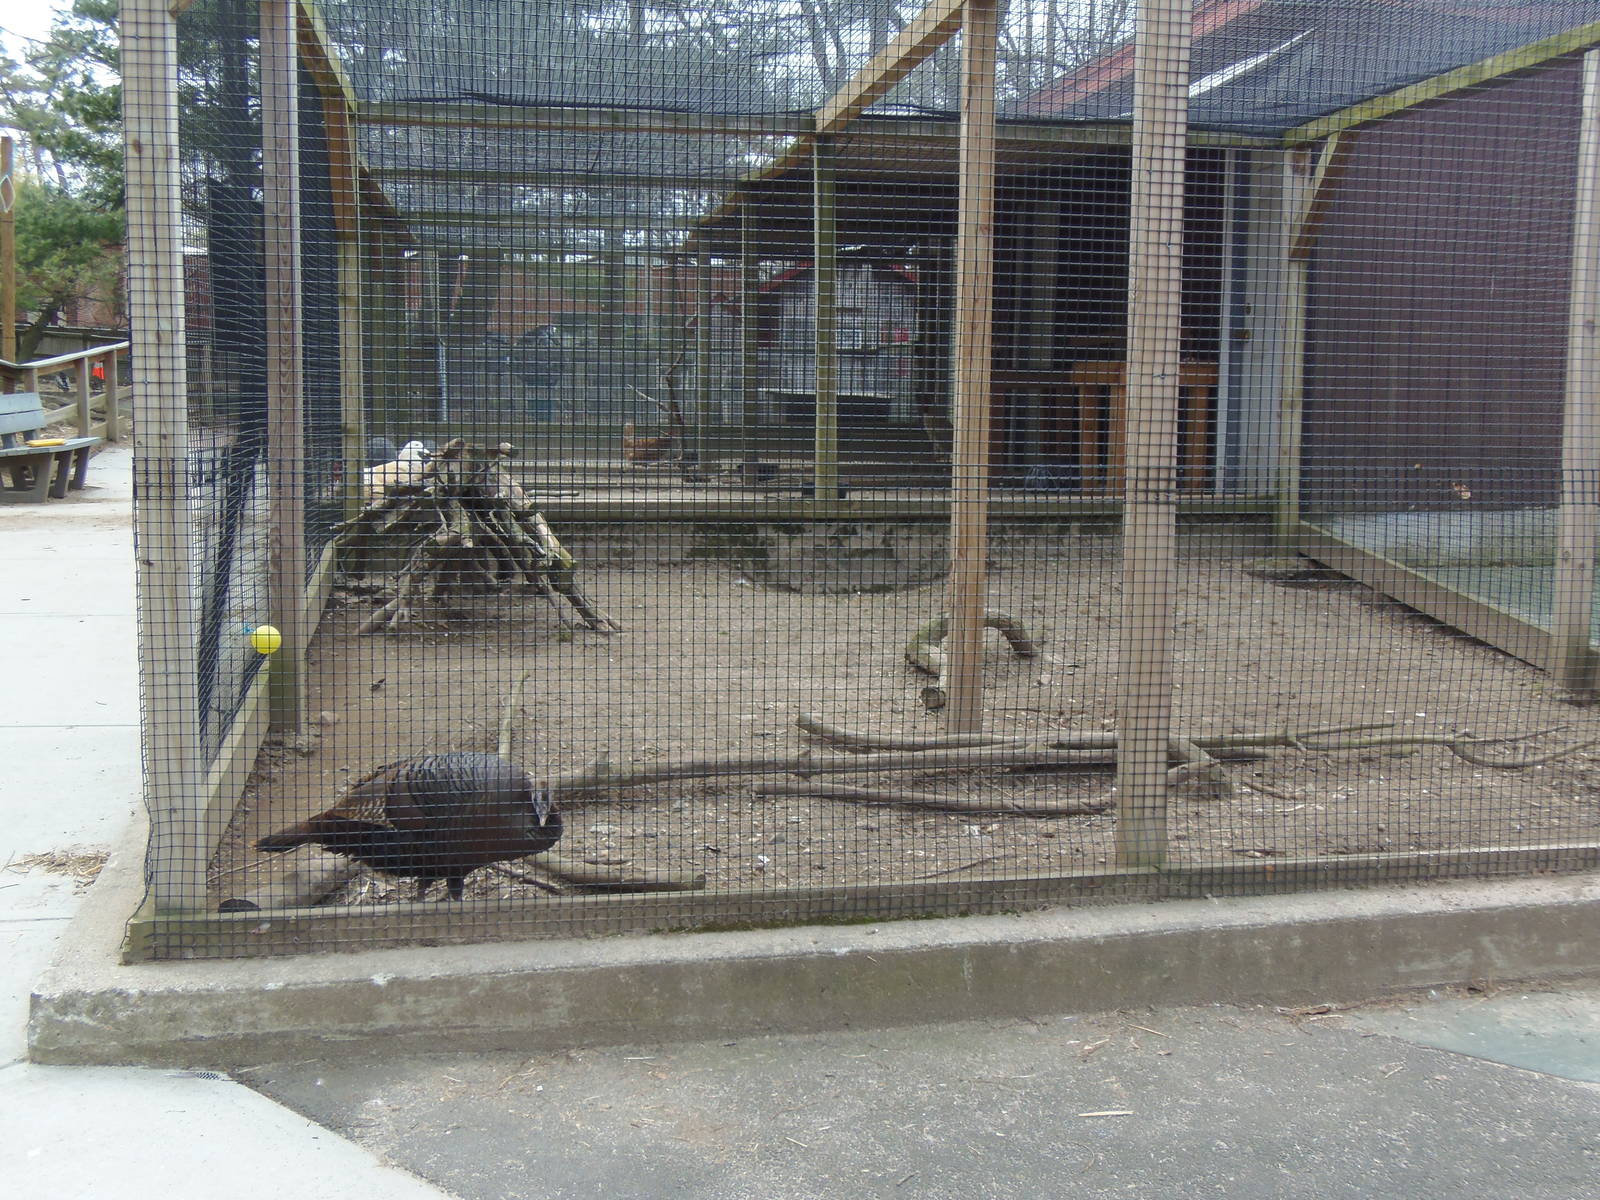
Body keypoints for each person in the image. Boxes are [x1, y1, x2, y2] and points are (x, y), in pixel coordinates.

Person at [512, 324, 561, 419]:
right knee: (542, 402)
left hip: (533, 377)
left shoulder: (527, 338)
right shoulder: (550, 340)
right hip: (545, 377)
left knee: (538, 401)